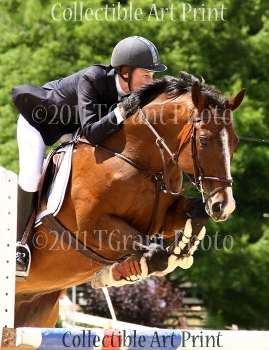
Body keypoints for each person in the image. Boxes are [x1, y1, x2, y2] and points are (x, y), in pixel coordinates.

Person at [12, 35, 167, 280]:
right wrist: (122, 111)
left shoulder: (133, 95)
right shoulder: (92, 79)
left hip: (69, 133)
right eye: (145, 75)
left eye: (152, 76)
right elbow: (93, 133)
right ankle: (19, 246)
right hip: (38, 124)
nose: (151, 81)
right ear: (125, 72)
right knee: (31, 177)